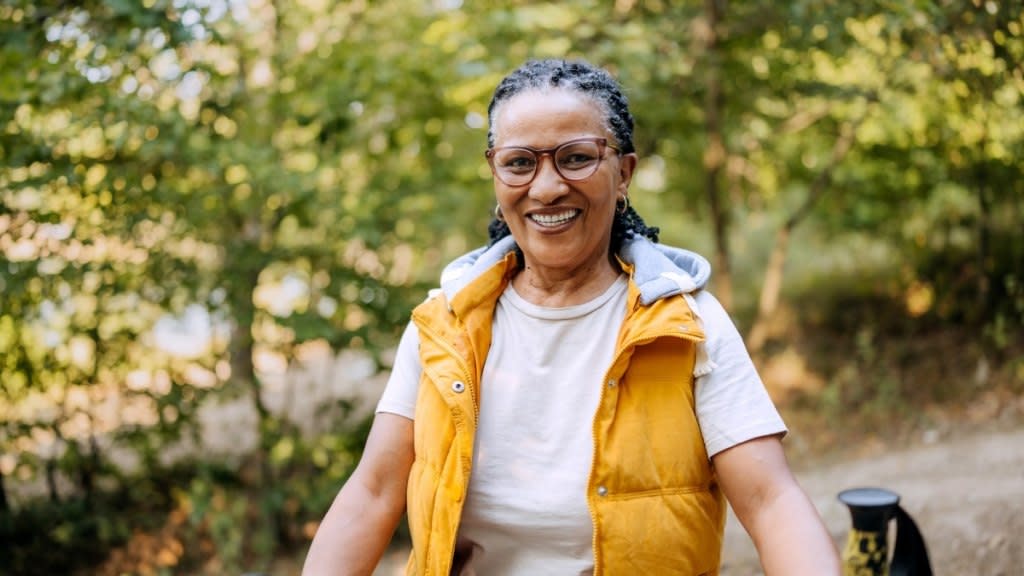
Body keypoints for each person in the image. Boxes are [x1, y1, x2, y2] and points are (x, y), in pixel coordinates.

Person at [303, 59, 840, 575]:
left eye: (576, 157)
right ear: (495, 174)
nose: (546, 186)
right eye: (520, 163)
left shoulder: (684, 321)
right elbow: (372, 494)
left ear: (623, 172)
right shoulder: (446, 322)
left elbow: (771, 502)